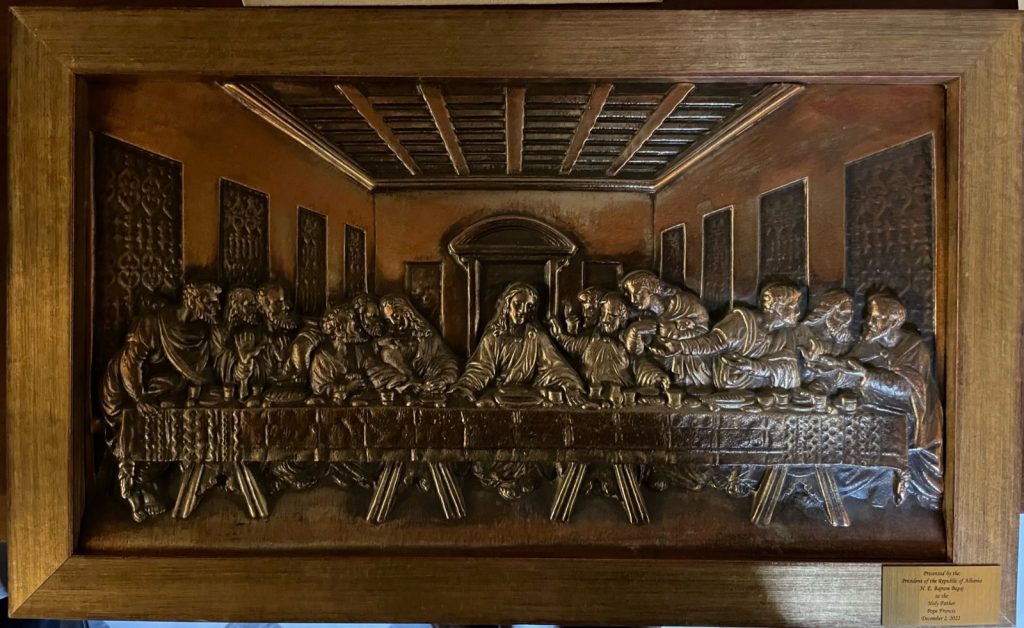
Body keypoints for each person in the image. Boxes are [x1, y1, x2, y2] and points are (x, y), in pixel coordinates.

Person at [100, 281, 221, 522]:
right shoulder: (153, 323)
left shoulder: (198, 332)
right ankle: (134, 489)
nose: (215, 307)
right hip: (126, 388)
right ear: (193, 300)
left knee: (173, 426)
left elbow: (195, 371)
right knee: (143, 428)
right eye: (209, 302)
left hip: (163, 391)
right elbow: (130, 362)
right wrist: (139, 396)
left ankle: (151, 481)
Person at [825, 294, 943, 509]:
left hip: (909, 416)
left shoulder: (914, 349)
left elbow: (908, 390)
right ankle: (840, 486)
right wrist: (829, 371)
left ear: (894, 322)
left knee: (872, 438)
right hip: (871, 411)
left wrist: (867, 376)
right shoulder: (868, 344)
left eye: (876, 318)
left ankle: (879, 483)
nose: (868, 323)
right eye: (869, 316)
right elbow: (848, 371)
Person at [451, 282, 587, 407]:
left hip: (529, 395)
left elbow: (555, 367)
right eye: (518, 304)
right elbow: (481, 369)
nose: (523, 311)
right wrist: (465, 387)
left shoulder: (536, 337)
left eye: (529, 306)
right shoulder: (494, 337)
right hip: (499, 394)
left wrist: (570, 387)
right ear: (507, 305)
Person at [654, 282, 803, 390]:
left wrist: (753, 367)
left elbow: (788, 366)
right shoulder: (742, 322)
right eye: (793, 306)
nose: (798, 311)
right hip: (732, 381)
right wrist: (680, 346)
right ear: (777, 308)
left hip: (764, 386)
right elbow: (713, 342)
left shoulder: (785, 334)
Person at [551, 293, 669, 404]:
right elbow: (570, 344)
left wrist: (655, 376)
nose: (606, 320)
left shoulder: (626, 341)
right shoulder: (590, 339)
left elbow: (641, 362)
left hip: (622, 397)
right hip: (591, 395)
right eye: (604, 314)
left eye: (612, 316)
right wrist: (558, 332)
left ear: (622, 319)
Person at [619, 270, 712, 388]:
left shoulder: (683, 303)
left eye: (637, 294)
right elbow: (637, 352)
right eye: (629, 296)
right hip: (659, 363)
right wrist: (635, 331)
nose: (632, 300)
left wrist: (668, 331)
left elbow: (704, 330)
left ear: (651, 290)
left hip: (689, 361)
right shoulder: (645, 316)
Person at [366, 295, 461, 398]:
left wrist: (442, 380)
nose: (393, 322)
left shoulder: (428, 337)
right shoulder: (390, 341)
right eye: (388, 320)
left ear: (407, 312)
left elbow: (449, 365)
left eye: (396, 316)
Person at [211, 287, 265, 404]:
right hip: (228, 388)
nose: (254, 309)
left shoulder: (257, 329)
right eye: (249, 305)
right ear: (235, 307)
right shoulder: (219, 332)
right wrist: (242, 362)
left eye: (255, 305)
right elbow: (219, 361)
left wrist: (249, 358)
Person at [309, 305, 372, 405]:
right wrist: (347, 388)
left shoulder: (357, 351)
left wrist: (358, 380)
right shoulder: (322, 358)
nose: (358, 331)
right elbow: (320, 388)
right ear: (338, 332)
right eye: (353, 327)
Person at [799, 289, 858, 395]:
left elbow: (854, 368)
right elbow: (799, 371)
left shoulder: (845, 339)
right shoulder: (805, 334)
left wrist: (836, 364)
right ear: (829, 311)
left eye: (850, 314)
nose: (848, 320)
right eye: (844, 313)